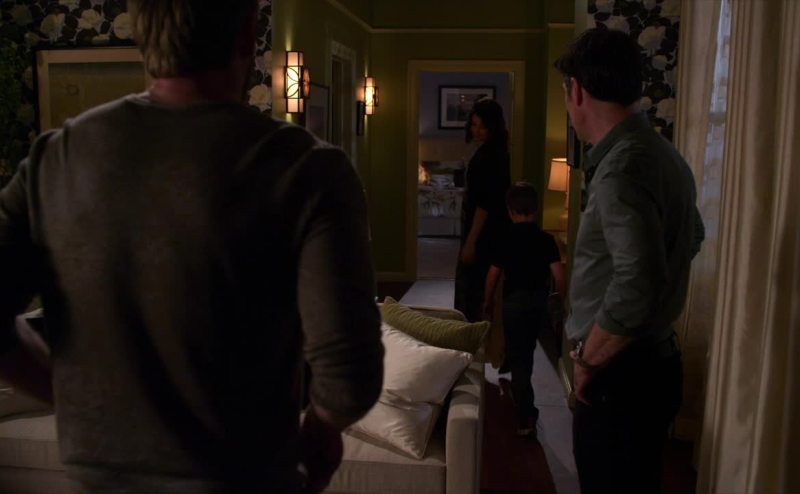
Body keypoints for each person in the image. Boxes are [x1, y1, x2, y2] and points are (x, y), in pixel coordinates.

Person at [0, 1, 384, 492]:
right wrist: (322, 432)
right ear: (247, 34)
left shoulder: (55, 158)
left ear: (140, 31)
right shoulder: (307, 170)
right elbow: (349, 373)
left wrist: (73, 396)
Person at [556, 28, 705, 493]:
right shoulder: (661, 153)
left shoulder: (621, 166)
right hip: (652, 364)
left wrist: (588, 360)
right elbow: (693, 235)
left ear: (577, 91)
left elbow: (637, 282)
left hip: (620, 376)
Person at [482, 182, 566, 437]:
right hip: (537, 302)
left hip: (513, 302)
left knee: (520, 358)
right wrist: (559, 298)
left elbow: (493, 275)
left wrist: (488, 302)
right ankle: (522, 399)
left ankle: (525, 415)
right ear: (537, 210)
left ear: (510, 211)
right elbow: (559, 276)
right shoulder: (546, 240)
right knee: (525, 351)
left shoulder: (505, 238)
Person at [455, 99, 511, 323]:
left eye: (482, 127)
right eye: (474, 125)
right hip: (490, 230)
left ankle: (472, 332)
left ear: (492, 128)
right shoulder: (497, 153)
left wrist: (471, 241)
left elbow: (484, 204)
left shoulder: (488, 158)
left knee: (473, 288)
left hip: (484, 233)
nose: (476, 131)